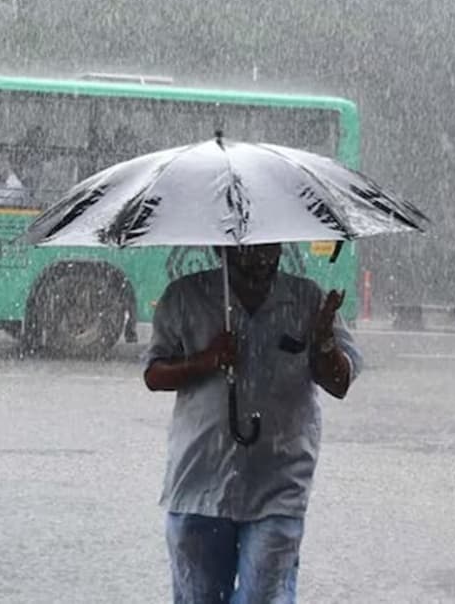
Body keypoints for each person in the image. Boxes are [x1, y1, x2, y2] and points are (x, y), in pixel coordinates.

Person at [143, 243, 362, 603]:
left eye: (268, 247)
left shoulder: (306, 300)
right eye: (246, 250)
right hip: (199, 483)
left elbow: (338, 383)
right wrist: (205, 360)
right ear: (221, 249)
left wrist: (323, 342)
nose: (260, 256)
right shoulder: (184, 297)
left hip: (278, 485)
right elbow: (154, 373)